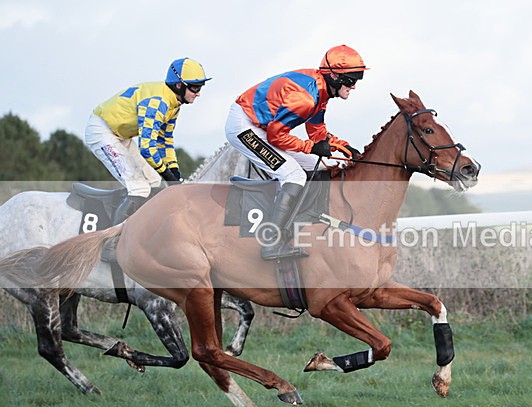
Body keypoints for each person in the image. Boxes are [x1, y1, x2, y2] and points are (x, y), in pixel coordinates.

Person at [225, 44, 366, 260]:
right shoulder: (305, 100)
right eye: (352, 79)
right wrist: (311, 147)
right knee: (294, 174)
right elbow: (276, 136)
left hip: (264, 126)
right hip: (244, 125)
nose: (355, 86)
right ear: (335, 77)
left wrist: (343, 147)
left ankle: (302, 222)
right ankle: (271, 242)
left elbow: (317, 132)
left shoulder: (321, 91)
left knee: (317, 165)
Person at [85, 57, 210, 261]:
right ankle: (110, 246)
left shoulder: (174, 103)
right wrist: (167, 173)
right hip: (102, 132)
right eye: (195, 87)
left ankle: (139, 235)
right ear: (179, 85)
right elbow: (148, 147)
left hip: (122, 135)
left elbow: (165, 141)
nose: (199, 93)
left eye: (200, 87)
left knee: (153, 182)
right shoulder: (158, 102)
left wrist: (175, 172)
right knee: (140, 188)